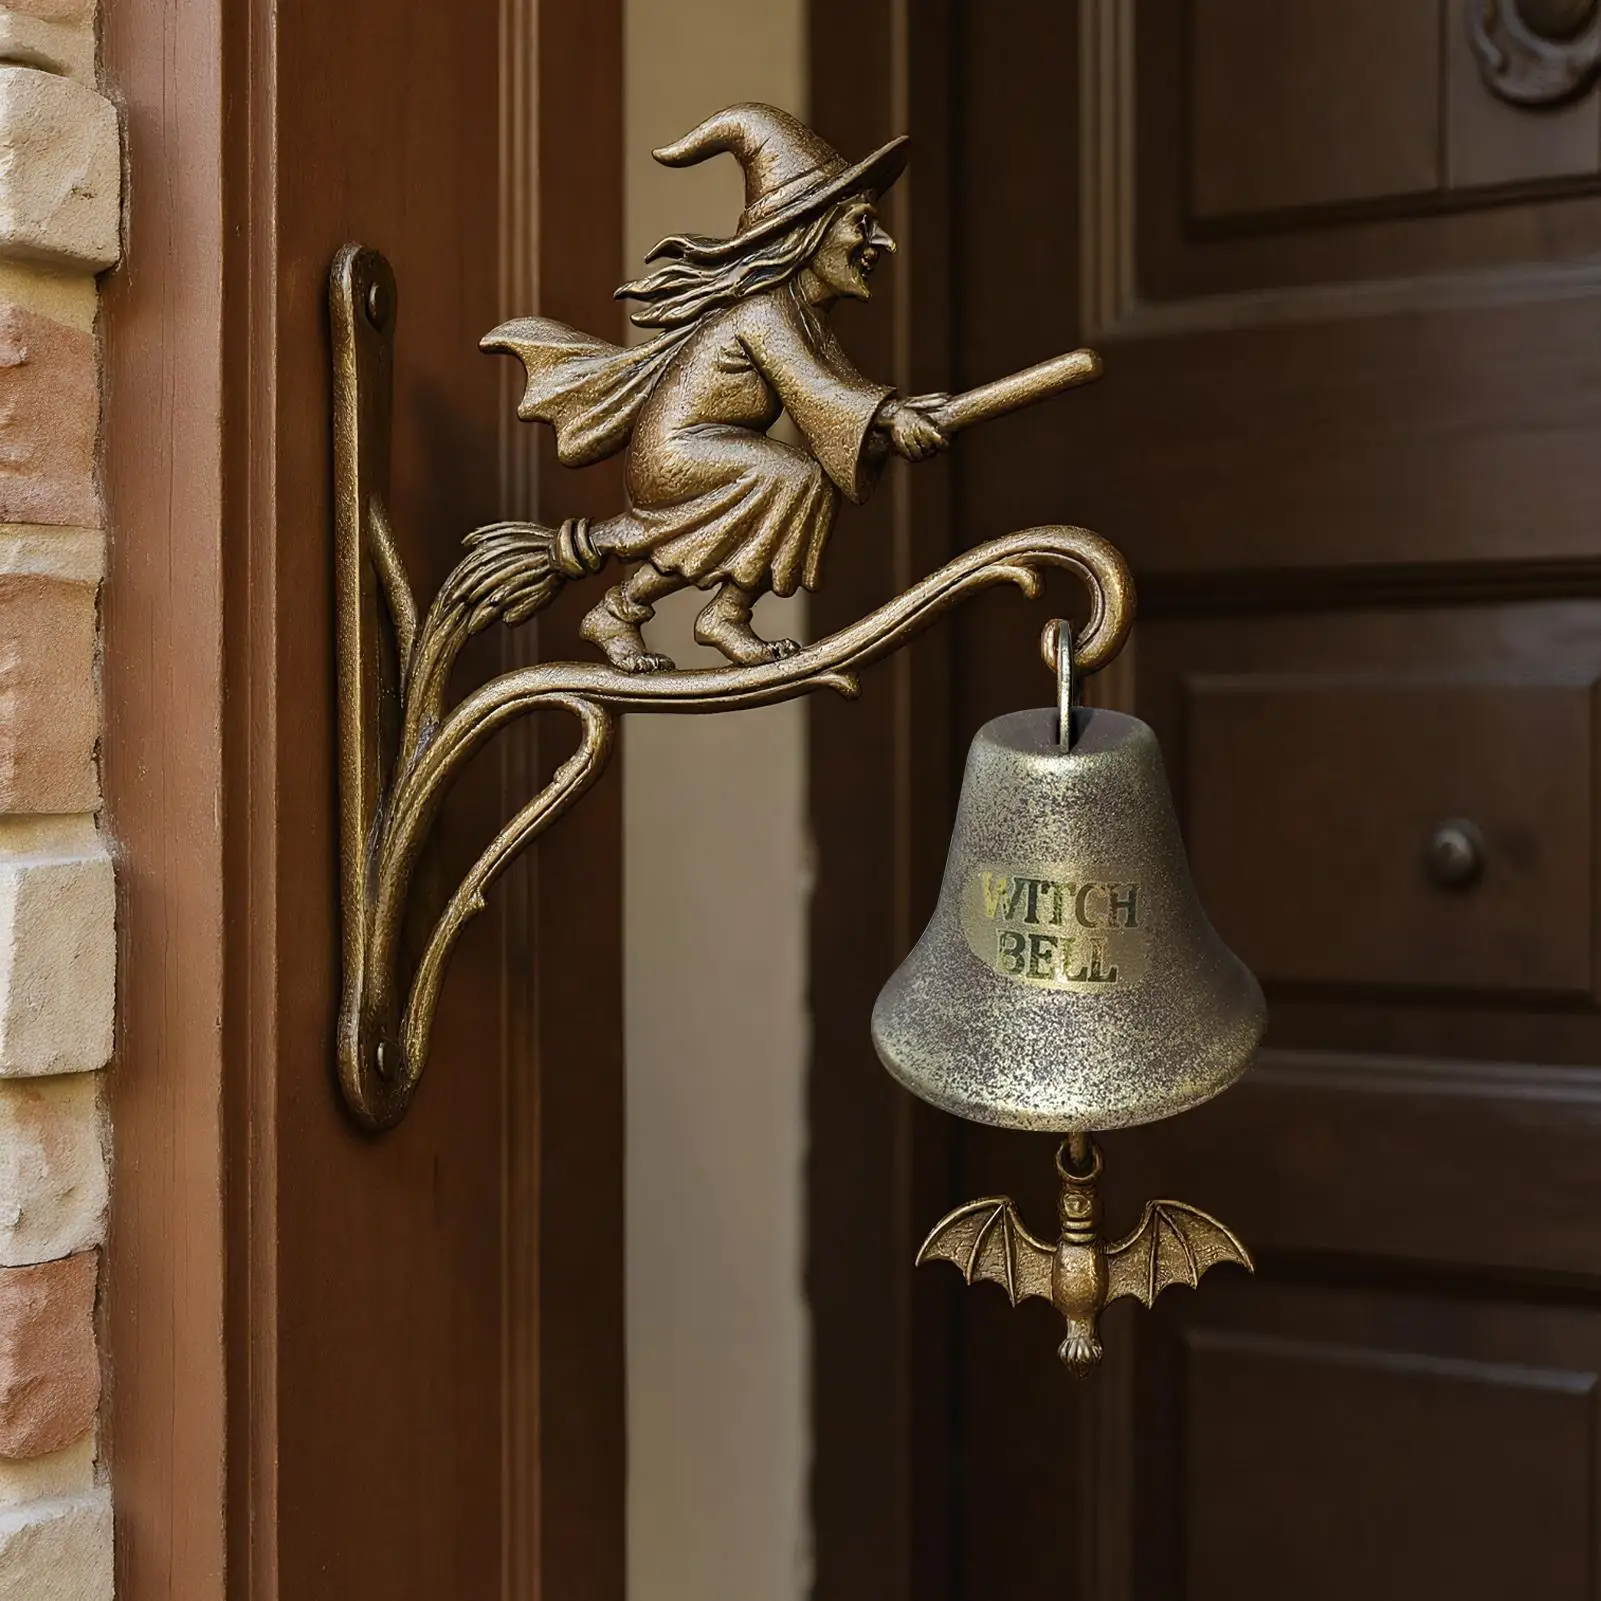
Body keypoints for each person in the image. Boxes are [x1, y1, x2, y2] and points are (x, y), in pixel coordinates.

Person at [486, 102, 950, 672]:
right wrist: (886, 418)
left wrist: (894, 417)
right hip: (676, 453)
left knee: (800, 480)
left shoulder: (805, 317)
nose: (882, 242)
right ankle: (700, 613)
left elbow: (844, 392)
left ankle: (639, 610)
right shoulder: (766, 312)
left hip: (709, 449)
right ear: (809, 231)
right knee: (791, 477)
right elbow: (817, 394)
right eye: (861, 221)